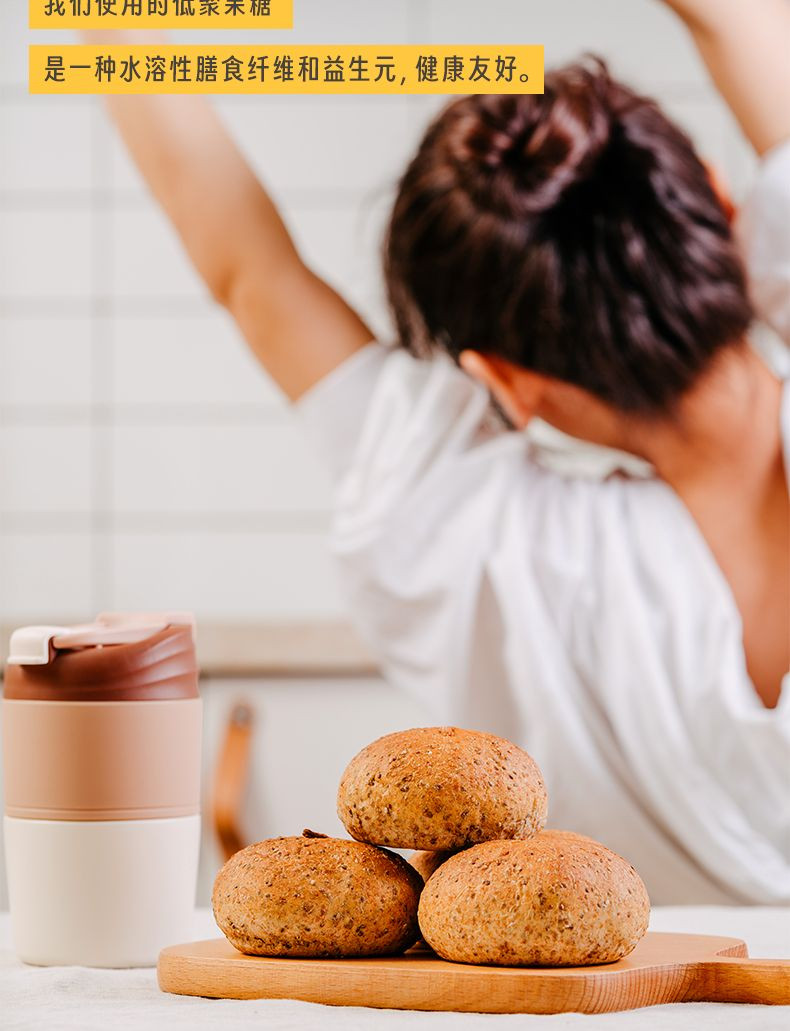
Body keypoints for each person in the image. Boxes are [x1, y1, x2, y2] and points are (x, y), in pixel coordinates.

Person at [98, 0, 789, 904]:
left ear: (506, 378)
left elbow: (251, 276)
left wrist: (104, 24)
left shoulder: (480, 540)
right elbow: (733, 20)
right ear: (719, 196)